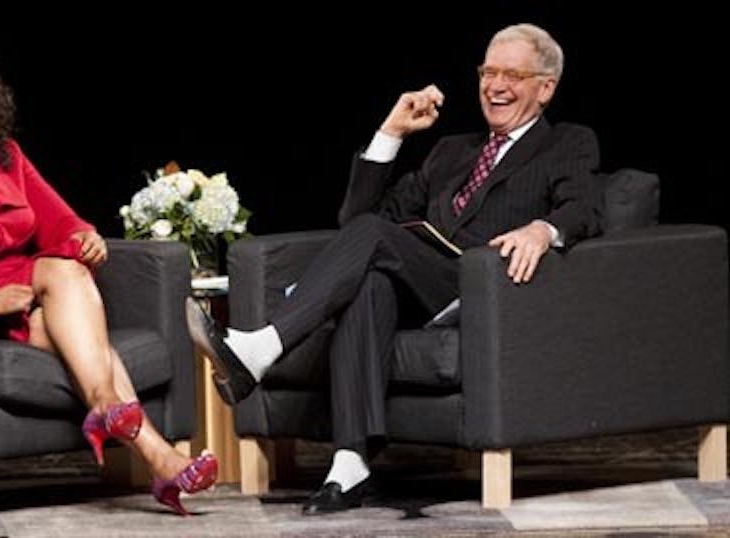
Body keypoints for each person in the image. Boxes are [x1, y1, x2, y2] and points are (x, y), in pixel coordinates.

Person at [186, 23, 599, 515]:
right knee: (371, 280)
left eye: (512, 73)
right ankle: (350, 462)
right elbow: (355, 220)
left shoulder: (567, 143)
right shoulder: (452, 152)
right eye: (488, 71)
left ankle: (263, 346)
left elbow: (585, 208)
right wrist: (390, 133)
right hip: (419, 286)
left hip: (482, 288)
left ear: (545, 86)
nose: (495, 85)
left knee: (377, 240)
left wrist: (541, 230)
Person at [0, 33, 216, 516]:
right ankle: (157, 454)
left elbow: (59, 222)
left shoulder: (3, 155)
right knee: (92, 346)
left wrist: (83, 236)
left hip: (34, 294)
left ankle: (119, 419)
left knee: (66, 270)